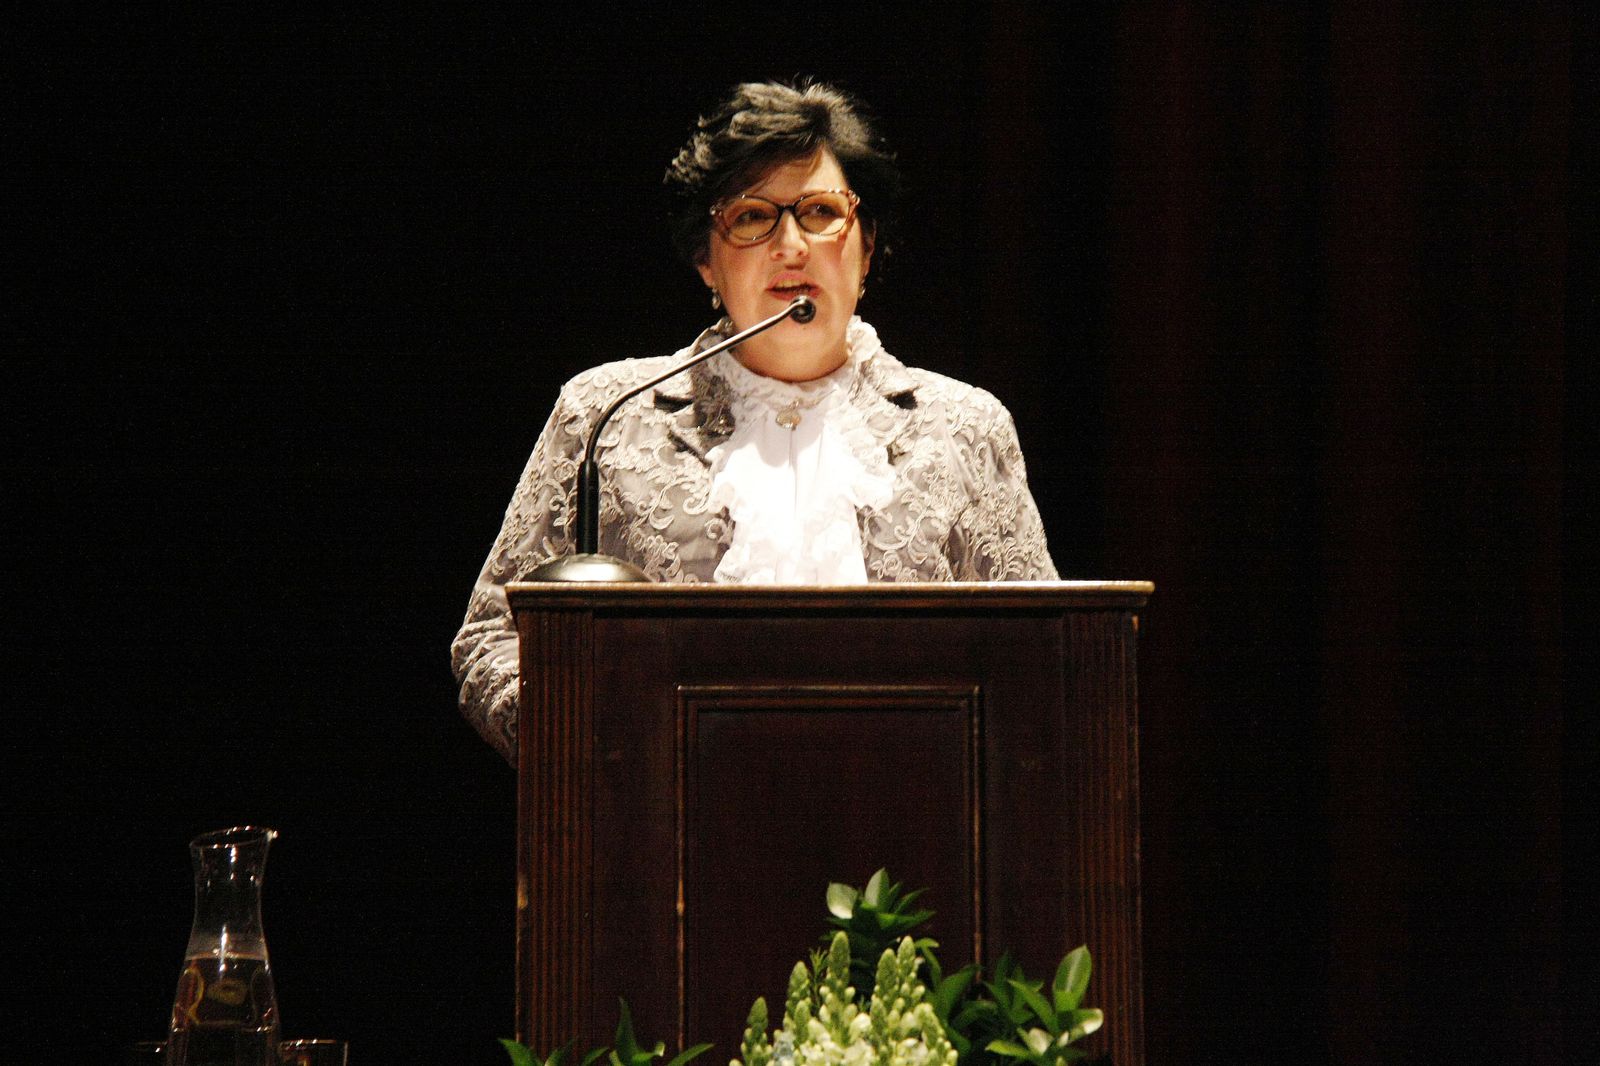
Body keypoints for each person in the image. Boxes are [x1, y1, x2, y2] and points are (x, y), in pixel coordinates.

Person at [452, 80, 1057, 762]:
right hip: (655, 834)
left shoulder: (965, 430)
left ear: (867, 246)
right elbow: (490, 638)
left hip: (906, 836)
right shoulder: (605, 417)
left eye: (821, 212)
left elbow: (1040, 659)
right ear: (706, 259)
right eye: (751, 217)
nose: (791, 246)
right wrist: (593, 747)